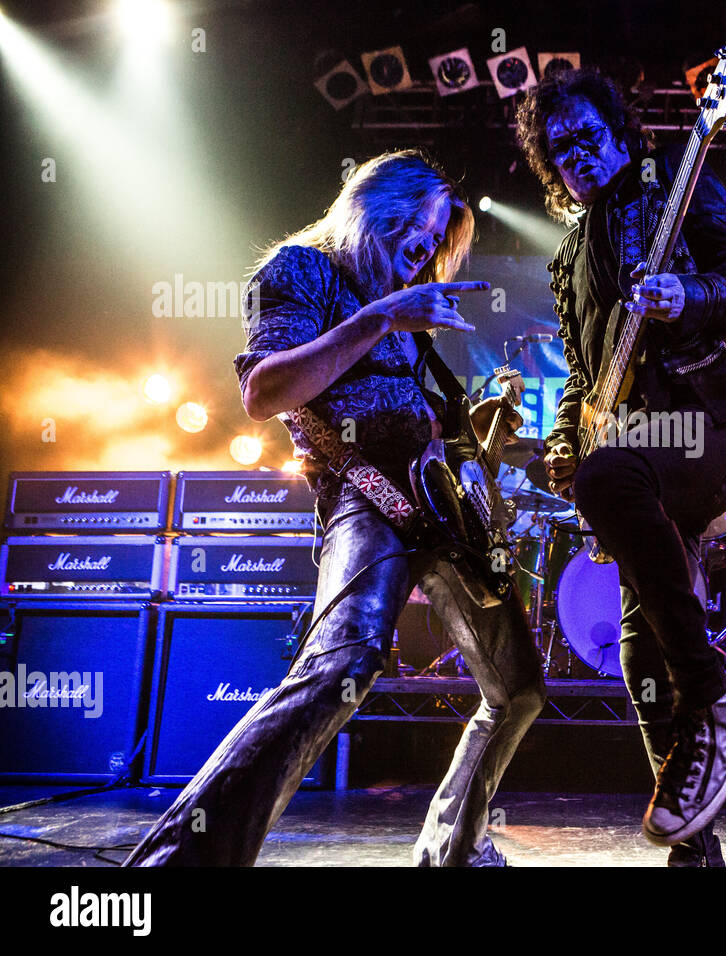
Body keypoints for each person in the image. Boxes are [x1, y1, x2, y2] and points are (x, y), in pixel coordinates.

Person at [124, 150, 544, 868]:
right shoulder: (299, 269)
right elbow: (264, 393)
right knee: (339, 666)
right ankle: (180, 860)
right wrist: (381, 318)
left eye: (438, 235)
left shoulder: (403, 294)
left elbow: (416, 410)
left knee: (519, 688)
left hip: (441, 501)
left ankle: (455, 846)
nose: (428, 247)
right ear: (380, 206)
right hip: (367, 493)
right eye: (421, 227)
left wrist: (491, 442)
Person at [516, 68, 726, 865]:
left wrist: (684, 293)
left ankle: (719, 699)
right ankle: (693, 847)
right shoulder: (568, 257)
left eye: (589, 137)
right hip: (639, 449)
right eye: (560, 149)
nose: (579, 157)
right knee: (640, 652)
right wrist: (569, 437)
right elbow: (582, 374)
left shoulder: (675, 181)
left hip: (723, 417)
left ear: (619, 132)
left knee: (613, 482)